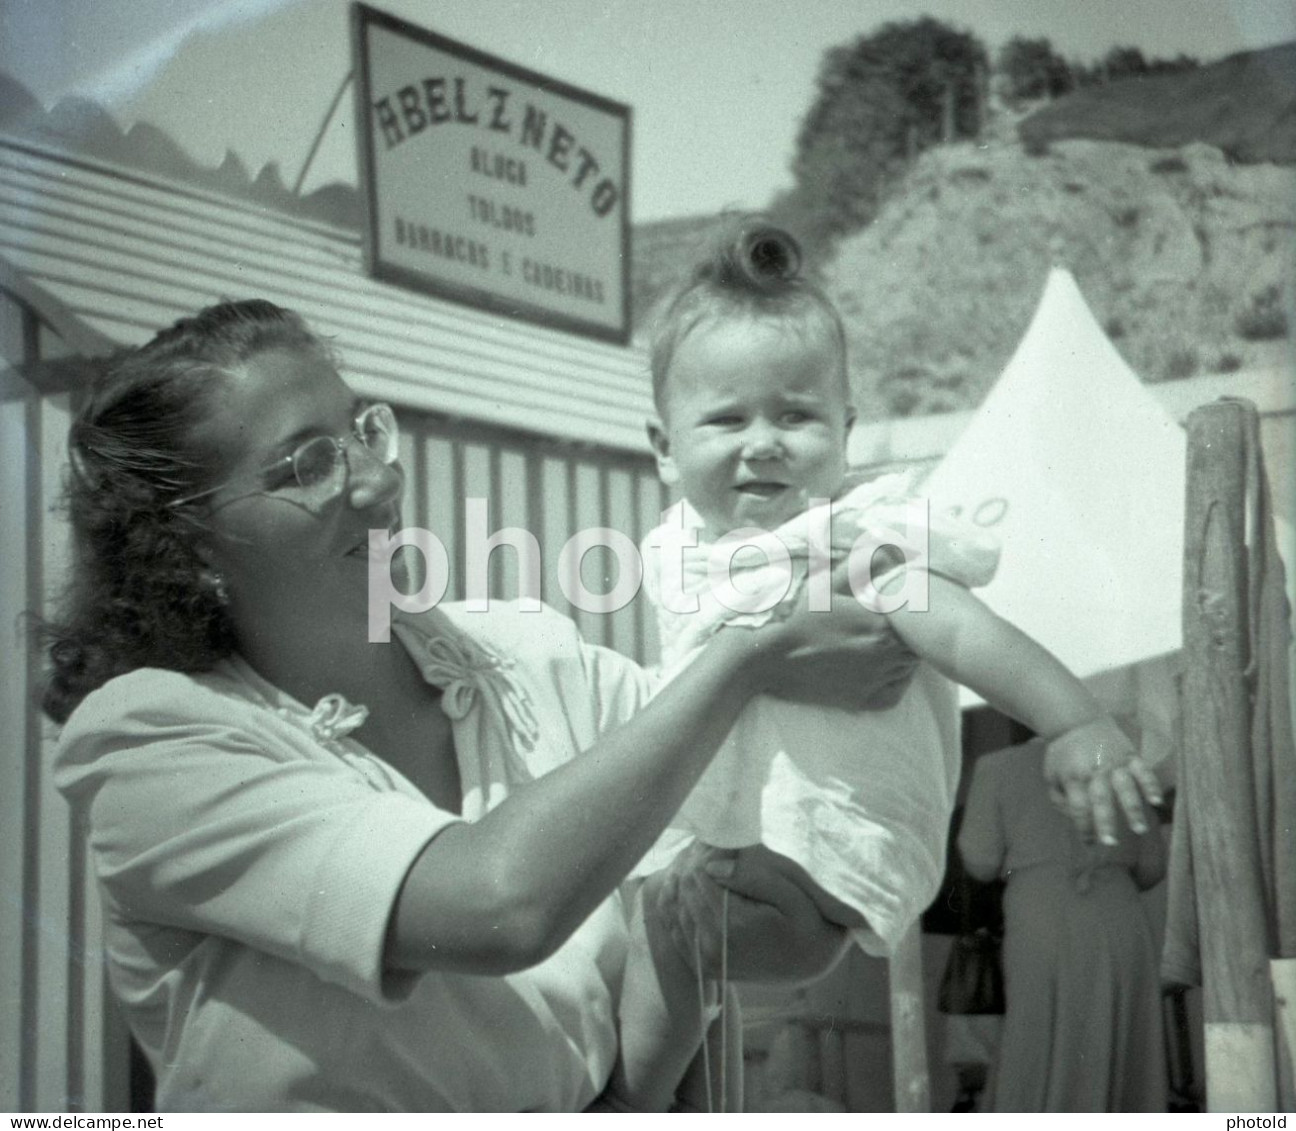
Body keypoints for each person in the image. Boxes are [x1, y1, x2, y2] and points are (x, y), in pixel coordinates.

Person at [42, 298, 930, 1113]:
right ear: (190, 542)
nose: (377, 482)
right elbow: (501, 904)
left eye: (365, 431)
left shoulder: (528, 656)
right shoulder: (147, 743)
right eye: (309, 463)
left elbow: (743, 828)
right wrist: (747, 654)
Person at [634, 216, 1163, 968]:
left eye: (796, 415)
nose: (763, 441)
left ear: (845, 432)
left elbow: (962, 631)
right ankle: (649, 1091)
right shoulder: (679, 550)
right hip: (735, 839)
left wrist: (1073, 720)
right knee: (654, 946)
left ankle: (642, 1085)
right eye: (726, 419)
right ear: (664, 447)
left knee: (664, 934)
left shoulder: (853, 538)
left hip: (828, 846)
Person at [958, 736, 1169, 1111]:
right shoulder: (1119, 761)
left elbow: (980, 860)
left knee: (1035, 1033)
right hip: (1116, 912)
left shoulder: (997, 765)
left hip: (1041, 913)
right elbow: (1152, 865)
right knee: (1119, 1032)